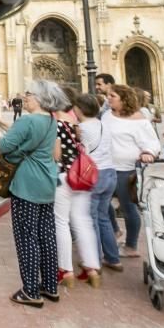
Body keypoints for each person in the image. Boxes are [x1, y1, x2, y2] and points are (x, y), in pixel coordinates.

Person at [0, 80, 62, 307]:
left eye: (29, 94)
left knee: (27, 237)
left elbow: (6, 146)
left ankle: (30, 291)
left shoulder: (28, 120)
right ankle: (49, 287)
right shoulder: (50, 120)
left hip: (27, 184)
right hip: (47, 182)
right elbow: (25, 138)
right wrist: (0, 121)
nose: (24, 97)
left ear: (40, 98)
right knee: (46, 235)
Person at [103, 84, 160, 264]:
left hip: (126, 169)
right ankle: (114, 230)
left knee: (128, 208)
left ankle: (131, 246)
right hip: (106, 166)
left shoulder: (139, 121)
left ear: (124, 99)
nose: (108, 98)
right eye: (108, 95)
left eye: (112, 96)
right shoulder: (107, 115)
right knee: (101, 204)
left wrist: (148, 152)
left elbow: (152, 142)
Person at [52, 86, 101, 289]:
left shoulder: (55, 124)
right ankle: (91, 268)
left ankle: (66, 270)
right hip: (82, 176)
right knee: (82, 222)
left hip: (64, 176)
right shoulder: (78, 124)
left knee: (61, 222)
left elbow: (56, 155)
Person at [75, 93, 117, 281]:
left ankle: (94, 262)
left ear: (79, 109)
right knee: (103, 217)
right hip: (110, 173)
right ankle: (113, 258)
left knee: (90, 220)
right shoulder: (104, 125)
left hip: (94, 175)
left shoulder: (81, 129)